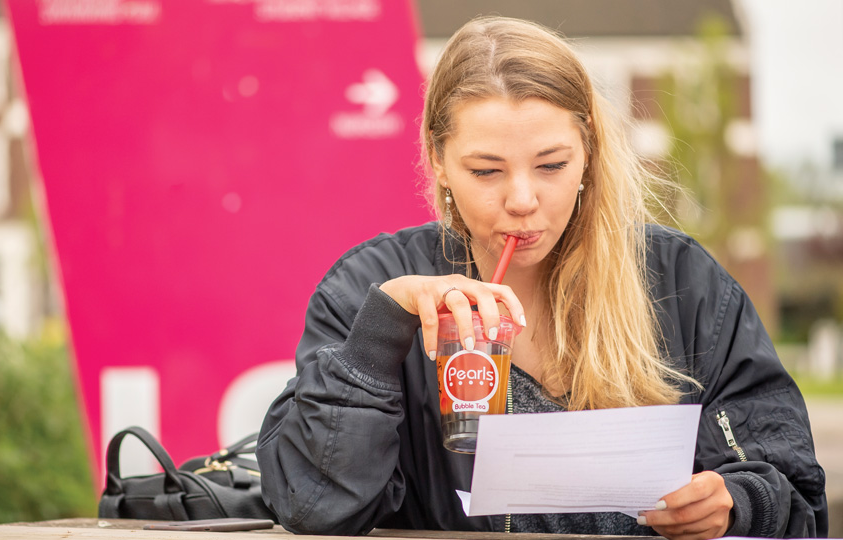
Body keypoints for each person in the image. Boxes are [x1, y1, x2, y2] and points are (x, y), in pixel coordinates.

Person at [256, 16, 827, 539]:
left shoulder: (682, 282)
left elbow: (795, 489)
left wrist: (736, 504)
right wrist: (380, 336)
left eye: (552, 165)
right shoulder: (370, 289)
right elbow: (312, 510)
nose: (523, 200)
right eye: (486, 171)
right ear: (438, 162)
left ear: (587, 156)